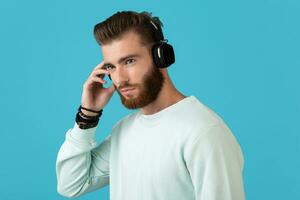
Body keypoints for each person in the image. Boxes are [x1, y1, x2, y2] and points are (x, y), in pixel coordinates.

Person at [56, 11, 245, 200]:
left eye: (129, 61)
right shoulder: (124, 130)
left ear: (160, 56)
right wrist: (88, 114)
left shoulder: (203, 132)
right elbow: (71, 184)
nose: (120, 79)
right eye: (111, 67)